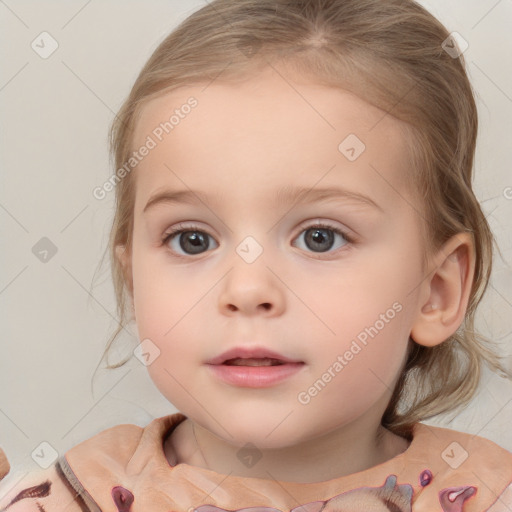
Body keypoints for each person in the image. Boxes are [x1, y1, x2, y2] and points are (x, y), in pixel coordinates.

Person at [1, 0, 511, 510]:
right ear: (135, 282)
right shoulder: (64, 497)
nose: (246, 290)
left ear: (436, 291)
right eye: (192, 240)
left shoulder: (486, 494)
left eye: (320, 238)